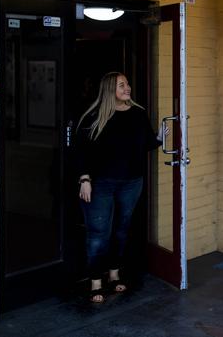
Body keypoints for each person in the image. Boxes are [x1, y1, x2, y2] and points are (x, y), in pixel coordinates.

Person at [76, 72, 164, 303]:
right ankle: (96, 281)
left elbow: (146, 143)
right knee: (98, 234)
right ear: (109, 90)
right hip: (100, 183)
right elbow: (81, 151)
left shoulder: (138, 113)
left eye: (128, 84)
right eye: (122, 85)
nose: (128, 88)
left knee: (121, 229)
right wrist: (84, 179)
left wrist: (161, 138)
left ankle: (114, 274)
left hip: (131, 182)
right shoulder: (93, 117)